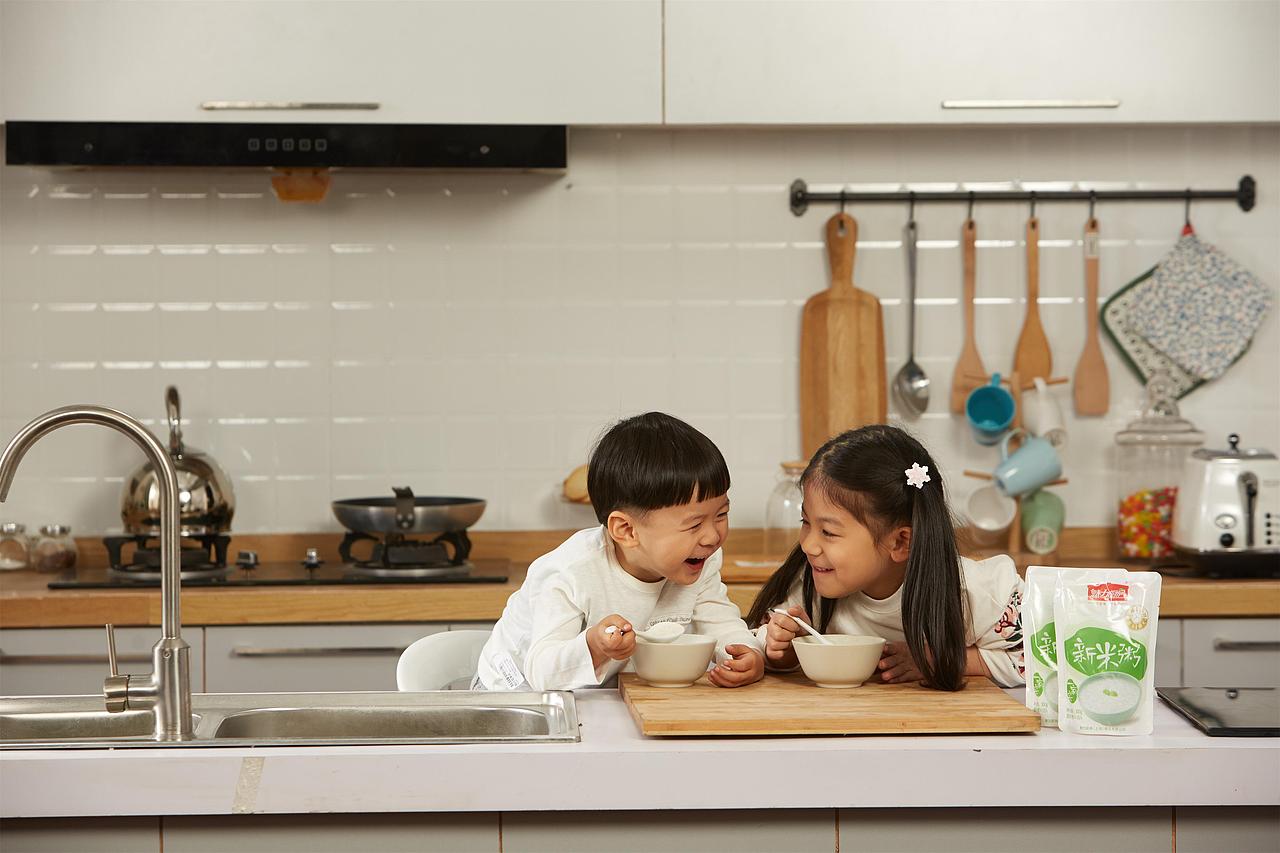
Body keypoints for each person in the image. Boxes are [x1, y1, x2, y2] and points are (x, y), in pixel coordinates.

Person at [474, 412, 764, 691]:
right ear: (626, 531)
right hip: (512, 691)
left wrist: (744, 653)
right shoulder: (573, 572)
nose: (712, 537)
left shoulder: (700, 559)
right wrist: (595, 645)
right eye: (694, 524)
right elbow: (542, 670)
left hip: (597, 695)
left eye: (721, 514)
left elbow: (720, 621)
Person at [746, 424, 1024, 690]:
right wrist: (785, 651)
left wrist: (936, 659)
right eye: (805, 521)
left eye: (828, 532)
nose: (808, 544)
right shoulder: (812, 583)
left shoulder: (975, 594)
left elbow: (1042, 658)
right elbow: (762, 639)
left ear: (901, 542)